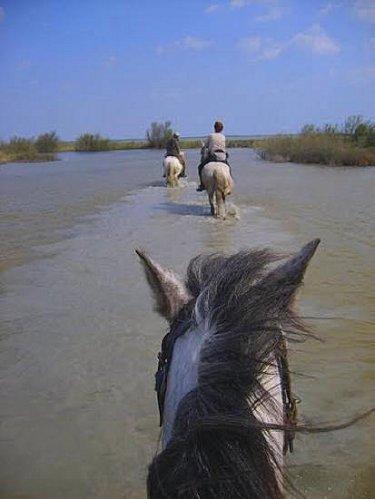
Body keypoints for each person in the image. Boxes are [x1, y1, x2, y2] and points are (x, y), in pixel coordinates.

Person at [196, 121, 229, 191]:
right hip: (222, 157)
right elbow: (224, 147)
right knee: (229, 168)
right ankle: (228, 184)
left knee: (200, 167)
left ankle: (202, 185)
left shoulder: (211, 136)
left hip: (213, 156)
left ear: (214, 128)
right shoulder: (223, 137)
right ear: (222, 129)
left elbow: (205, 146)